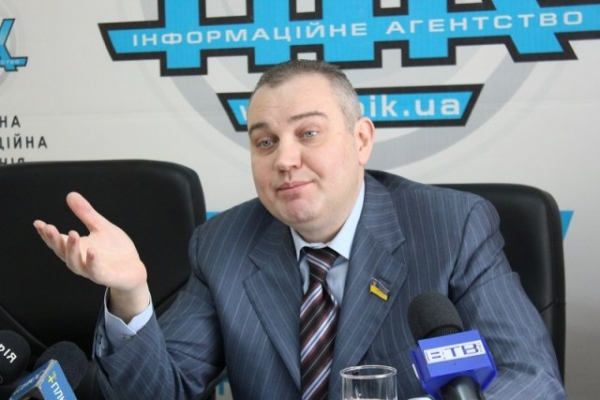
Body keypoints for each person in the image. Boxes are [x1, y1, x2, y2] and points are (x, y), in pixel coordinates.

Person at [33, 60, 565, 399]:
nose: (285, 160)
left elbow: (532, 379)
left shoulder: (453, 226)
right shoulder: (222, 246)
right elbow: (160, 393)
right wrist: (130, 294)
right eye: (265, 142)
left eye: (308, 133)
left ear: (361, 140)